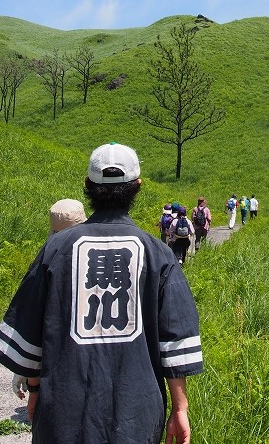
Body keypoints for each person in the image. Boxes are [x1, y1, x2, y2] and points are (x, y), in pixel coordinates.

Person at [0, 142, 203, 444]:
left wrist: (35, 392)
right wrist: (180, 408)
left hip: (62, 416)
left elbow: (30, 339)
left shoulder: (55, 250)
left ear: (88, 185)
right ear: (137, 186)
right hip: (137, 415)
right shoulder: (158, 254)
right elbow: (174, 342)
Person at [12, 198, 87, 400]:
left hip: (56, 356)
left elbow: (33, 318)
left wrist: (25, 369)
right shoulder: (98, 253)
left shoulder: (47, 257)